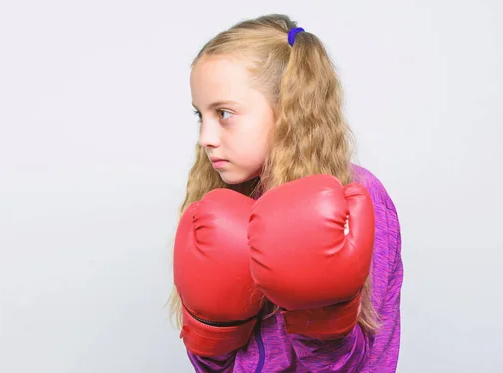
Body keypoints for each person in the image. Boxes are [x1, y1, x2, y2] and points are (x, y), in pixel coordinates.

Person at [168, 13, 403, 373]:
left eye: (225, 113)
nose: (206, 138)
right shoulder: (221, 209)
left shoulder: (355, 199)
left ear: (287, 108)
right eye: (201, 116)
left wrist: (319, 316)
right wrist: (212, 330)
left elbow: (355, 364)